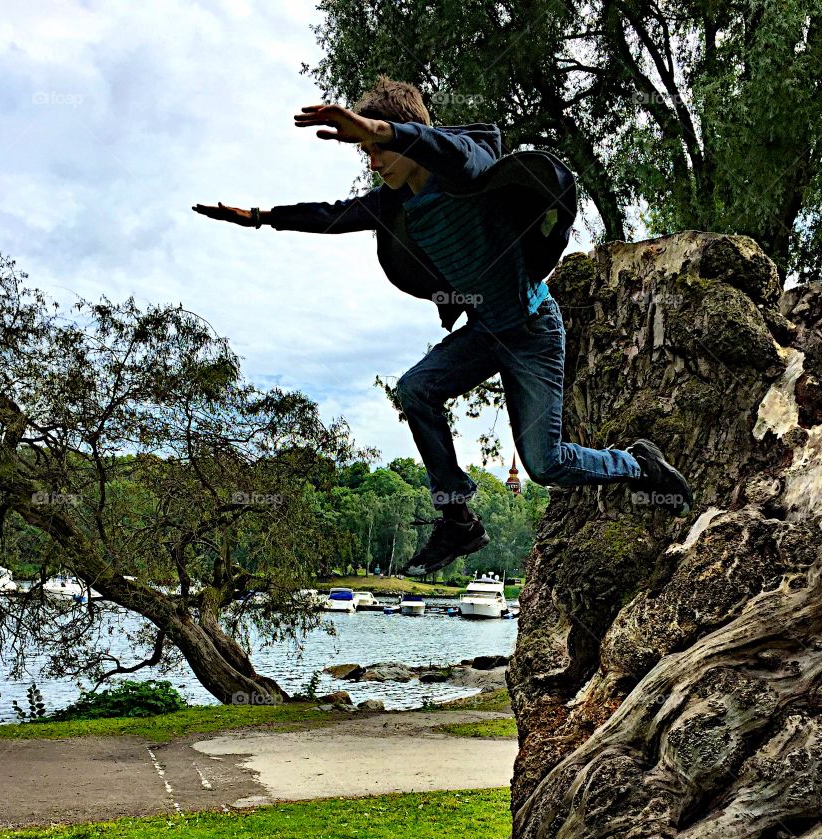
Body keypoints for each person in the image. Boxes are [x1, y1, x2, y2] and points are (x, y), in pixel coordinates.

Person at [193, 76, 694, 575]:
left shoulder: (462, 163)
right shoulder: (393, 202)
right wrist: (259, 217)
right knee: (415, 390)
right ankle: (457, 517)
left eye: (377, 149)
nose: (372, 162)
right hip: (485, 333)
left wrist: (379, 128)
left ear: (403, 135)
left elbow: (449, 149)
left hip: (533, 330)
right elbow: (332, 215)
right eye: (365, 152)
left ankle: (636, 463)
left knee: (545, 465)